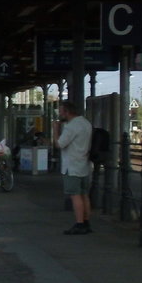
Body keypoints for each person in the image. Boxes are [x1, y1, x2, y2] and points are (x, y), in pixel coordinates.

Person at [54, 99, 93, 234]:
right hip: (84, 164)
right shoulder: (86, 123)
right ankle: (86, 222)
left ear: (67, 112)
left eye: (61, 111)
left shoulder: (72, 126)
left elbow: (60, 144)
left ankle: (79, 223)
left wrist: (55, 130)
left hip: (71, 165)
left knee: (75, 195)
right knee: (84, 195)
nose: (60, 114)